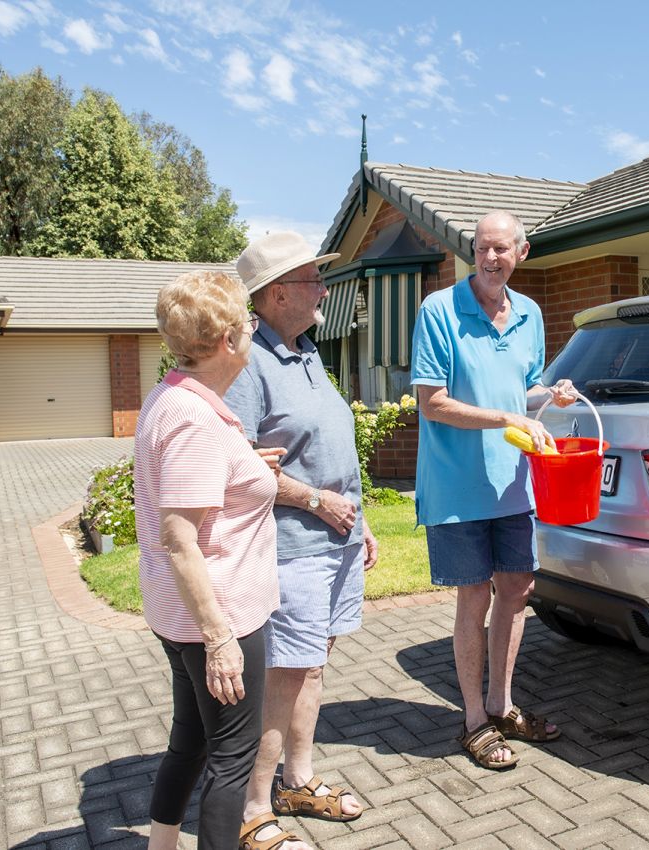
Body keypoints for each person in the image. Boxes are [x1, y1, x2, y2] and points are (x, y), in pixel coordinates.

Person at [224, 232, 378, 850]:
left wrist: (358, 517)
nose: (323, 288)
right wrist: (315, 500)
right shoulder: (249, 363)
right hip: (292, 545)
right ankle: (253, 806)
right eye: (314, 279)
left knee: (312, 669)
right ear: (277, 293)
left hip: (336, 539)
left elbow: (329, 445)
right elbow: (237, 461)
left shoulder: (307, 350)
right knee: (285, 677)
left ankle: (299, 780)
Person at [410, 210, 576, 770]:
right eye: (482, 248)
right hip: (457, 489)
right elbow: (431, 403)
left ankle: (505, 706)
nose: (490, 258)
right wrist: (509, 414)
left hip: (515, 486)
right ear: (472, 251)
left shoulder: (529, 314)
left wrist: (552, 394)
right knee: (473, 598)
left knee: (517, 591)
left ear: (521, 253)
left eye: (502, 249)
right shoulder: (438, 311)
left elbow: (523, 392)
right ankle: (474, 720)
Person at [136, 271, 284, 850]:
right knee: (232, 759)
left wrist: (247, 467)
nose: (253, 327)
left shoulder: (178, 398)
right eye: (248, 320)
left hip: (179, 616)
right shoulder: (195, 419)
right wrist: (220, 638)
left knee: (190, 743)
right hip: (218, 618)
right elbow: (181, 539)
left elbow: (197, 491)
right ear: (227, 338)